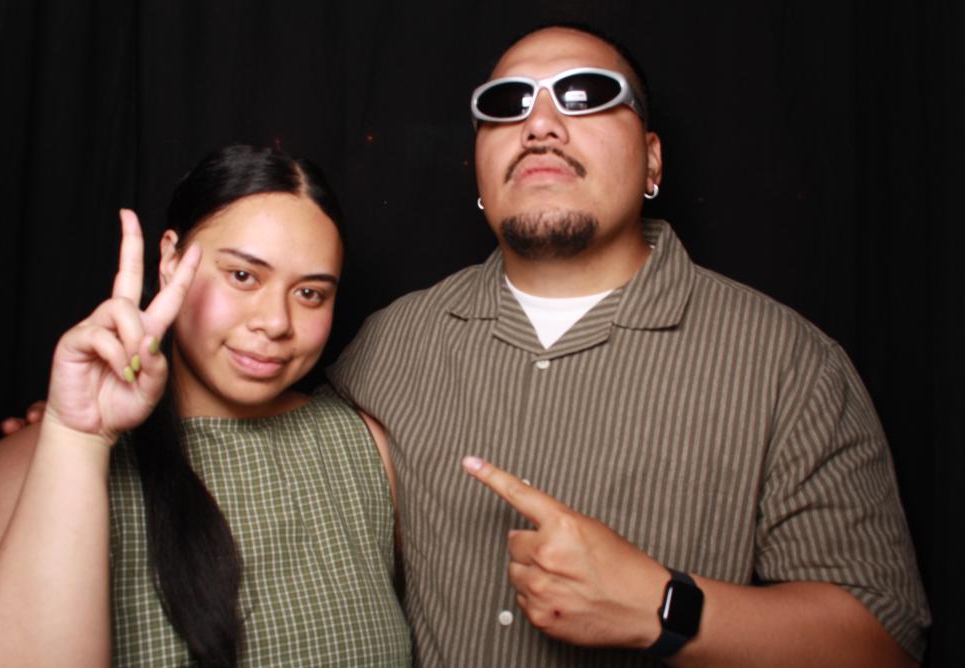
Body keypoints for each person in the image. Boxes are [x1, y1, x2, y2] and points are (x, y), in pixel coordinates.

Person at [326, 25, 930, 666]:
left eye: (586, 94)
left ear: (652, 160)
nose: (539, 125)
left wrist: (660, 606)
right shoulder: (388, 345)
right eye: (506, 103)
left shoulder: (788, 365)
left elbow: (885, 644)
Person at [0, 145, 411, 666]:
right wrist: (77, 439)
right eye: (242, 276)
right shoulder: (24, 472)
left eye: (310, 293)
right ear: (171, 259)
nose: (275, 321)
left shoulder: (365, 452)